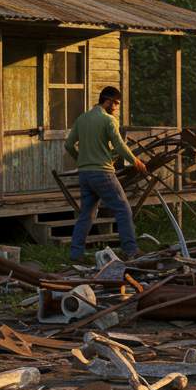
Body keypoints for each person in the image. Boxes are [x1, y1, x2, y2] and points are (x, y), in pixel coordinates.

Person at [64, 86, 147, 260]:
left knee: (86, 214)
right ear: (107, 101)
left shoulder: (82, 119)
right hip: (102, 173)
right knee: (123, 210)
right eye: (115, 103)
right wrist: (136, 161)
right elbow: (118, 145)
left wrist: (81, 159)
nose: (116, 107)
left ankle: (75, 253)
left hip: (85, 174)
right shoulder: (108, 120)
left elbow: (69, 145)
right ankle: (131, 250)